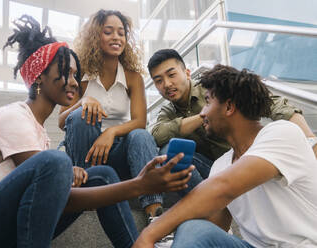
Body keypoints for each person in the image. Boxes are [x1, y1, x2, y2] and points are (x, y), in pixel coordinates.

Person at [0, 15, 194, 248]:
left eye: (75, 73)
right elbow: (66, 198)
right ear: (40, 77)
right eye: (66, 72)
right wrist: (139, 185)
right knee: (56, 160)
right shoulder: (13, 115)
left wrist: (65, 172)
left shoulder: (39, 133)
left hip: (7, 227)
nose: (74, 81)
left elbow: (46, 198)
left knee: (102, 174)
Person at [133, 64, 317, 248]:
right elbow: (215, 226)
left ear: (229, 106)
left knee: (194, 229)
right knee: (194, 228)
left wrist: (151, 232)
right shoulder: (221, 165)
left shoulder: (282, 133)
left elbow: (223, 188)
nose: (202, 113)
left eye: (207, 101)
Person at [148, 48, 317, 186]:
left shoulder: (212, 87)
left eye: (171, 75)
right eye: (158, 81)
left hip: (249, 160)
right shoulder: (168, 111)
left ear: (187, 73)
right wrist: (205, 115)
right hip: (215, 170)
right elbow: (157, 135)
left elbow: (272, 102)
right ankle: (208, 206)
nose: (167, 84)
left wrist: (310, 140)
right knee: (169, 152)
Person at [58, 10, 164, 221]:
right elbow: (62, 122)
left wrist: (112, 133)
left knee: (141, 136)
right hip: (85, 152)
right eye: (108, 32)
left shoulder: (133, 78)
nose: (116, 37)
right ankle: (84, 193)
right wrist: (83, 101)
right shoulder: (79, 75)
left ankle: (155, 214)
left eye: (121, 33)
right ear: (96, 36)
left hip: (120, 152)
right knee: (81, 116)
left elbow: (140, 122)